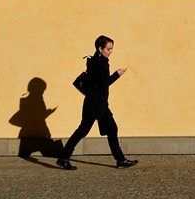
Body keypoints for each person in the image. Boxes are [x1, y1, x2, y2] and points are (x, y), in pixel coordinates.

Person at [56, 35, 138, 170]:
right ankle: (63, 158)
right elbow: (102, 84)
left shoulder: (100, 61)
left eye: (112, 49)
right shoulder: (97, 63)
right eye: (108, 49)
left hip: (99, 104)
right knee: (83, 130)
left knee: (111, 128)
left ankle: (120, 160)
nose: (111, 52)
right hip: (94, 104)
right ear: (100, 49)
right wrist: (117, 74)